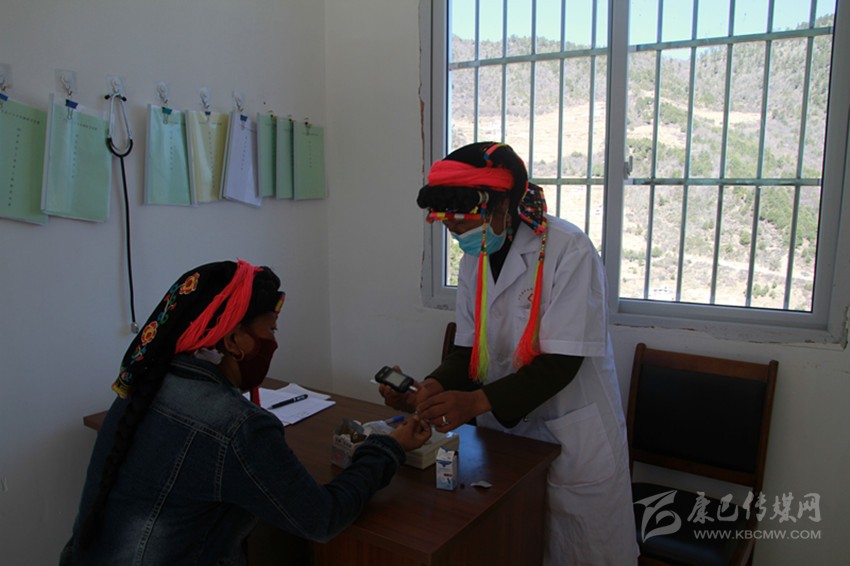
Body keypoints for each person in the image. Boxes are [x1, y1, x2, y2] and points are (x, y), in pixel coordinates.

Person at [61, 259, 431, 565]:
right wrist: (388, 446)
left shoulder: (145, 384)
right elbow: (322, 519)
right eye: (271, 328)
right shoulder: (236, 426)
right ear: (233, 339)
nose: (274, 341)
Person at [379, 143, 638, 565]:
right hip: (507, 440)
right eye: (446, 218)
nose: (455, 227)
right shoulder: (475, 256)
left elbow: (561, 364)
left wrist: (475, 402)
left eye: (464, 215)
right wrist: (432, 386)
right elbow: (468, 352)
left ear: (503, 203)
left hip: (571, 435)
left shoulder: (568, 250)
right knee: (511, 542)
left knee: (580, 554)